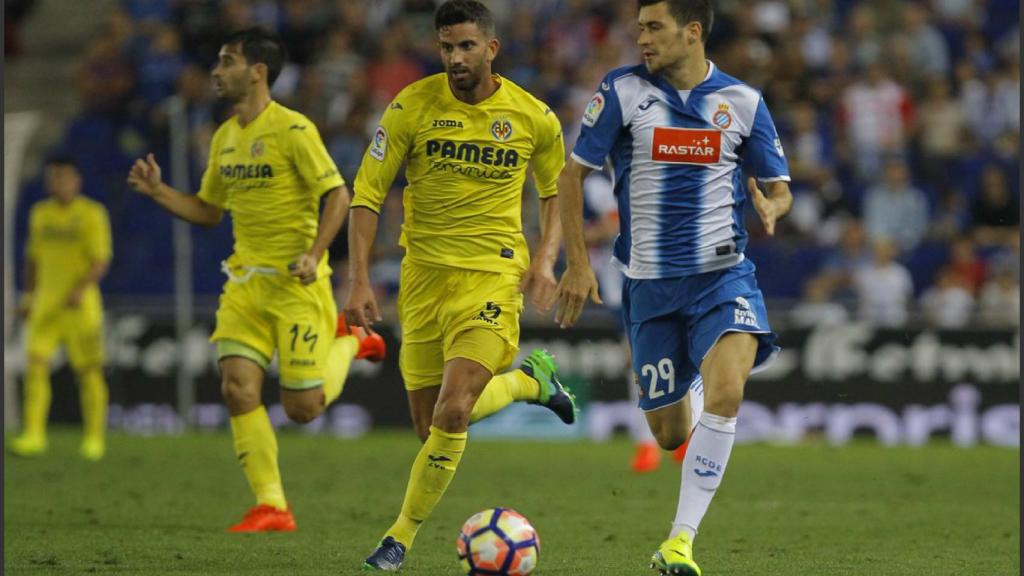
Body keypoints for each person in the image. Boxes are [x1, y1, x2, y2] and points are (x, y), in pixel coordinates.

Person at [554, 1, 793, 574]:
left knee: (729, 393)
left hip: (723, 276)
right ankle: (691, 392)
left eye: (653, 27)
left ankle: (679, 542)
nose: (642, 38)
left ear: (692, 33)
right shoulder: (621, 93)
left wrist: (773, 205)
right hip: (649, 288)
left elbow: (781, 186)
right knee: (668, 434)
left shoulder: (742, 102)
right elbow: (571, 174)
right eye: (639, 27)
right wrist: (578, 264)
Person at [346, 1, 576, 570]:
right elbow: (367, 194)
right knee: (430, 427)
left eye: (467, 46)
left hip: (492, 278)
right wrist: (356, 279)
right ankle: (529, 383)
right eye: (447, 47)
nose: (455, 57)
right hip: (421, 280)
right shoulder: (412, 106)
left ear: (491, 49)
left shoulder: (532, 116)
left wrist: (546, 261)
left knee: (453, 411)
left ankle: (399, 537)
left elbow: (555, 193)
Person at [127, 27, 384, 533]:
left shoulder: (294, 130)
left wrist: (314, 255)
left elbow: (337, 195)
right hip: (245, 283)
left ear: (257, 71)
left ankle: (352, 342)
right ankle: (273, 506)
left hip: (297, 285)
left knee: (304, 409)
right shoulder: (224, 136)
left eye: (227, 61)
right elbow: (207, 211)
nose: (217, 72)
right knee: (237, 388)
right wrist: (160, 193)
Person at [9, 155, 112, 461]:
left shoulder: (92, 214)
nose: (60, 183)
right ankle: (34, 435)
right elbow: (32, 260)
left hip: (81, 307)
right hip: (45, 304)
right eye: (54, 178)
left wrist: (80, 290)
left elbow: (100, 259)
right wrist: (27, 297)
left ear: (76, 180)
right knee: (36, 367)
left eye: (65, 177)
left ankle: (94, 438)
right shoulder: (40, 214)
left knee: (89, 372)